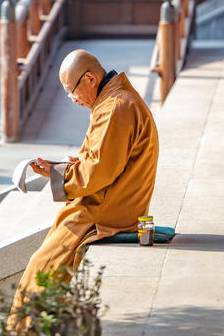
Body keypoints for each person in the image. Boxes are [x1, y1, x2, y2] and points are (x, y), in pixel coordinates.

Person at [9, 47, 159, 320]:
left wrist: (58, 174)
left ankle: (26, 331)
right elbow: (101, 161)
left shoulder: (115, 107)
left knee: (42, 268)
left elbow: (97, 173)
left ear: (90, 79)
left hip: (106, 210)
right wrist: (64, 167)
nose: (72, 98)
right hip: (109, 199)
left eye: (71, 90)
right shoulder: (113, 99)